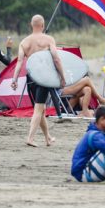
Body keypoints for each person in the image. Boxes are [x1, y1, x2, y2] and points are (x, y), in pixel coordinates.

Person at [10, 14, 64, 147]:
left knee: (41, 109)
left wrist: (14, 79)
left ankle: (48, 138)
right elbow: (56, 59)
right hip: (43, 77)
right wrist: (62, 76)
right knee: (39, 109)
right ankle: (30, 138)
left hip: (31, 78)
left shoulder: (24, 42)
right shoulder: (48, 39)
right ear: (43, 25)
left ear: (31, 25)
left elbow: (19, 62)